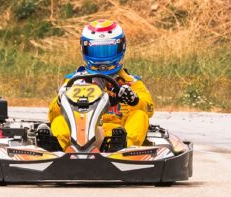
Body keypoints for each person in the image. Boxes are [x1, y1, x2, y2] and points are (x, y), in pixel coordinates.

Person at [47, 19, 154, 150]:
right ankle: (58, 147)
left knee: (140, 116)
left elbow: (149, 109)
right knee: (59, 119)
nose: (102, 58)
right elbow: (51, 115)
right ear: (84, 49)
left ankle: (124, 148)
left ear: (121, 47)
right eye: (97, 51)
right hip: (81, 132)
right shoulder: (74, 81)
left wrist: (134, 100)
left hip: (117, 136)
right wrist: (60, 100)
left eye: (108, 49)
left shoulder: (131, 82)